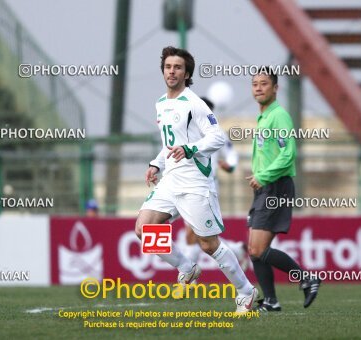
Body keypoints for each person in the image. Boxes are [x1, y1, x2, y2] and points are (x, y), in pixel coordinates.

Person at [135, 46, 257, 313]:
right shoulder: (161, 103)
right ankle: (186, 267)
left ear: (186, 72)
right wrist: (156, 163)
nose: (172, 71)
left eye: (178, 67)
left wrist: (190, 149)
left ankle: (246, 292)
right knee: (143, 228)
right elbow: (170, 143)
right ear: (163, 70)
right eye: (168, 67)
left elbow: (217, 138)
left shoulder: (195, 103)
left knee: (208, 244)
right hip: (170, 180)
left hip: (194, 183)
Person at [245, 67, 321, 312]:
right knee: (254, 251)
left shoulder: (279, 116)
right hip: (265, 187)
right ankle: (271, 301)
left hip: (275, 186)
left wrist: (264, 175)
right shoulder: (264, 117)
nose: (258, 87)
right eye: (255, 83)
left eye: (264, 83)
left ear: (275, 88)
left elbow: (288, 155)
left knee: (257, 249)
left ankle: (306, 279)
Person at [182, 97, 249, 273]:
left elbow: (231, 153)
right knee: (201, 234)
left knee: (192, 232)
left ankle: (188, 276)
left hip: (206, 186)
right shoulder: (185, 132)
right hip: (184, 185)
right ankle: (236, 250)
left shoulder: (216, 133)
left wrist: (231, 165)